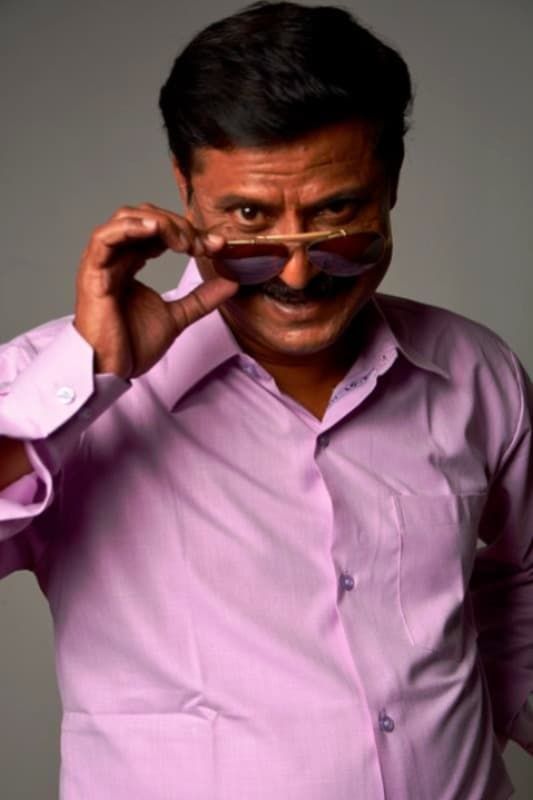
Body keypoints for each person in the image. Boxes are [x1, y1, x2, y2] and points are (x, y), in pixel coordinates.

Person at [0, 1, 531, 797]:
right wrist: (94, 374)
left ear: (389, 185)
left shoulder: (474, 370)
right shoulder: (46, 384)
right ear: (185, 189)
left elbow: (522, 581)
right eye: (250, 218)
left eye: (336, 215)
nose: (296, 271)